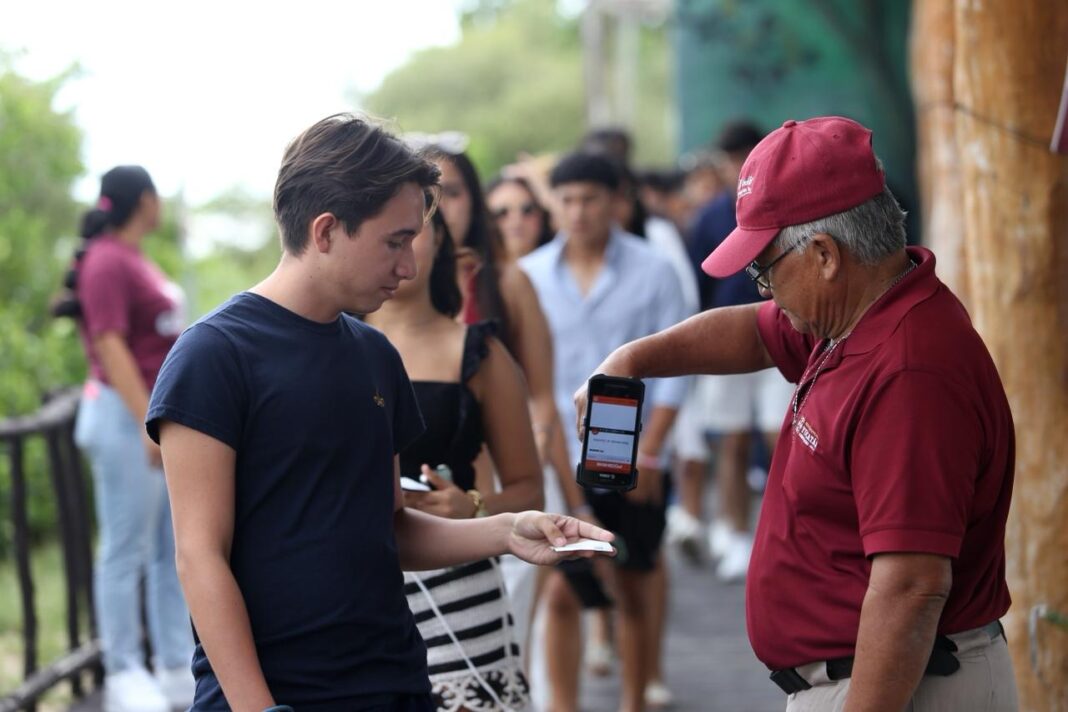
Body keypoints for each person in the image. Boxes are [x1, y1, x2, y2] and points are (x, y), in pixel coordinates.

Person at [145, 114, 614, 712]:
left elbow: (388, 527)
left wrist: (506, 530)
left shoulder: (372, 354)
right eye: (395, 241)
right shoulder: (213, 355)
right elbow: (199, 556)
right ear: (325, 230)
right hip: (278, 694)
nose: (410, 266)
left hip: (394, 682)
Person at [575, 116, 1018, 711]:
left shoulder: (910, 372)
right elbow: (755, 335)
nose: (762, 287)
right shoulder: (861, 309)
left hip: (900, 687)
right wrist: (631, 360)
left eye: (765, 265)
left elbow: (912, 587)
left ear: (825, 255)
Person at [520, 152, 688, 712]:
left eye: (589, 198)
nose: (577, 211)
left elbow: (676, 373)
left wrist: (652, 454)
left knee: (636, 586)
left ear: (616, 201)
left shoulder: (653, 269)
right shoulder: (531, 275)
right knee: (566, 593)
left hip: (633, 456)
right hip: (559, 456)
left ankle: (634, 703)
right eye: (566, 200)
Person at [365, 208, 544, 711]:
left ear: (442, 241)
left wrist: (474, 505)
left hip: (459, 594)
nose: (398, 247)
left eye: (412, 232)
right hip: (354, 590)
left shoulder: (480, 352)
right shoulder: (322, 343)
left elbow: (530, 489)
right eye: (385, 230)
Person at [55, 165, 195, 712]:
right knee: (124, 549)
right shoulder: (107, 261)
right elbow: (110, 345)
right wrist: (146, 422)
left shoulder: (134, 256)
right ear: (143, 199)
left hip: (149, 416)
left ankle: (173, 662)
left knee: (166, 548)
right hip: (123, 417)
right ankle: (124, 672)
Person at [681, 120, 794, 582]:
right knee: (731, 440)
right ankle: (734, 535)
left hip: (784, 335)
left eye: (744, 156)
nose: (737, 167)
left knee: (780, 436)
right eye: (730, 159)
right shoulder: (710, 216)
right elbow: (699, 282)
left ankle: (786, 536)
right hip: (726, 342)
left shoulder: (787, 208)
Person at [485, 175, 554, 261]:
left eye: (527, 210)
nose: (517, 221)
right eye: (502, 213)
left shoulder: (566, 265)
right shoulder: (473, 271)